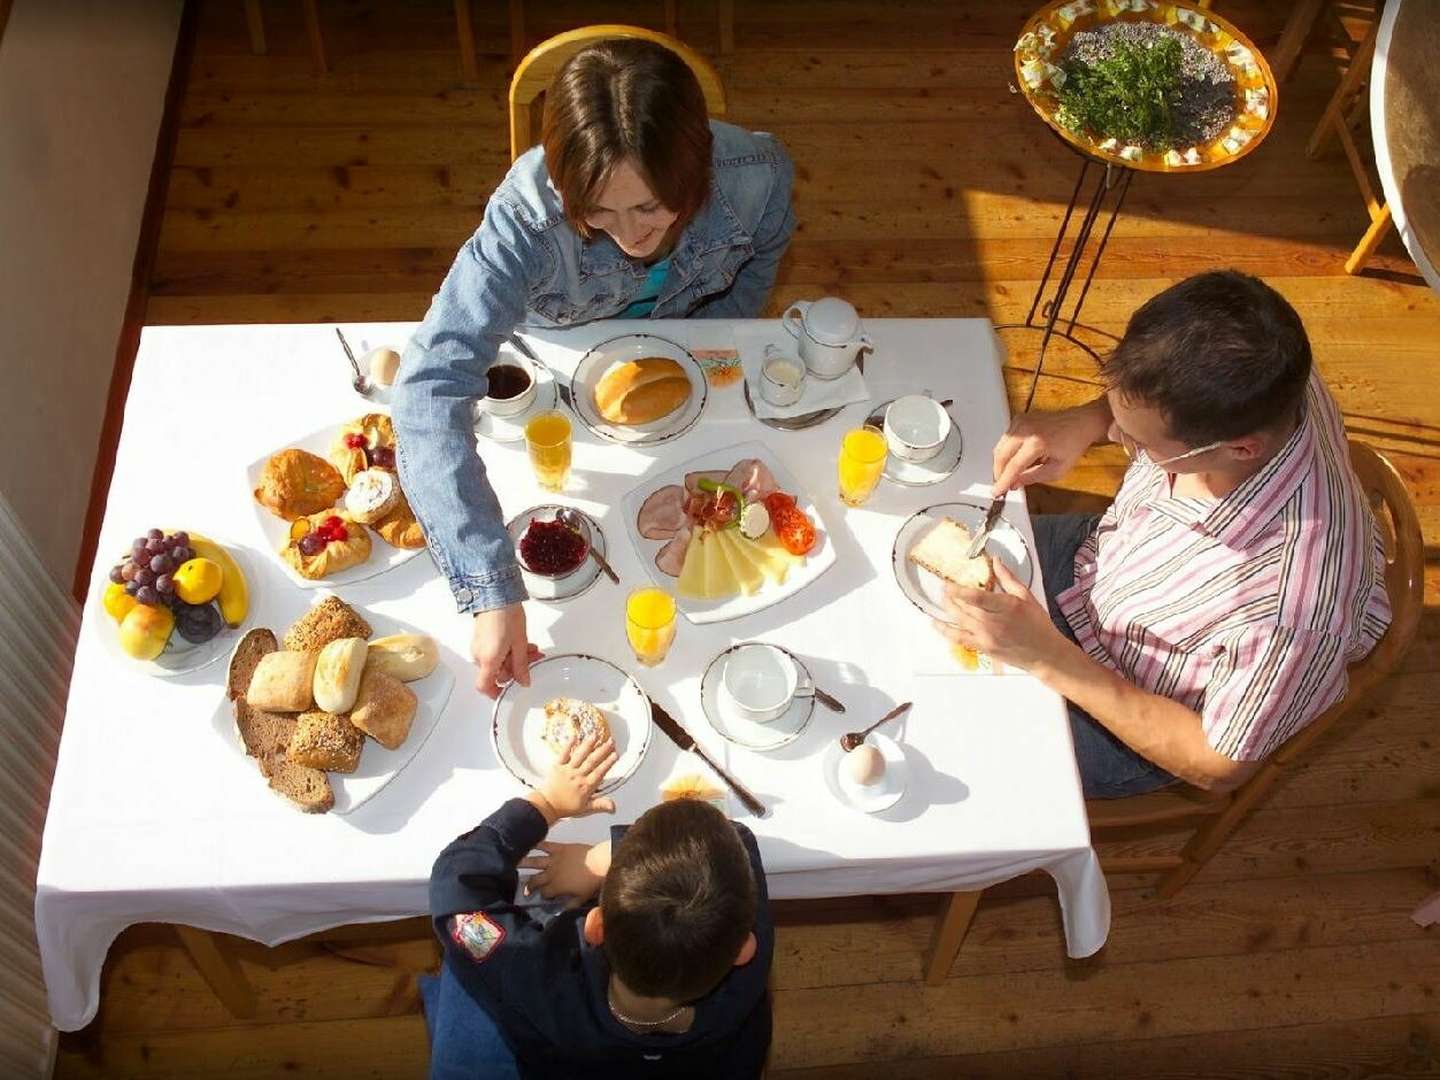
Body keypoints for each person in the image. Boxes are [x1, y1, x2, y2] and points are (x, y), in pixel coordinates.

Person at [393, 38, 796, 700]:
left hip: (685, 369)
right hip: (555, 367)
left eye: (649, 209)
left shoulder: (759, 174)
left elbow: (759, 264)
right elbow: (428, 389)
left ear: (695, 172)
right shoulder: (525, 218)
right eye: (598, 214)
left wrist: (711, 339)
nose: (631, 235)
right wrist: (491, 593)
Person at [939, 270, 1391, 798]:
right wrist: (1086, 420)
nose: (1117, 437)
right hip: (1105, 564)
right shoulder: (1264, 362)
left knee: (952, 748)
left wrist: (1048, 656)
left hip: (1131, 700)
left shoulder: (1293, 612)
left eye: (1137, 441)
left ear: (1240, 448)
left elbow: (1218, 764)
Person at [424, 731, 773, 1079]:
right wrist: (614, 854)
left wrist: (546, 805)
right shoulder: (747, 977)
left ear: (596, 927)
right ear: (745, 948)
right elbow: (738, 837)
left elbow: (457, 886)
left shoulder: (529, 975)